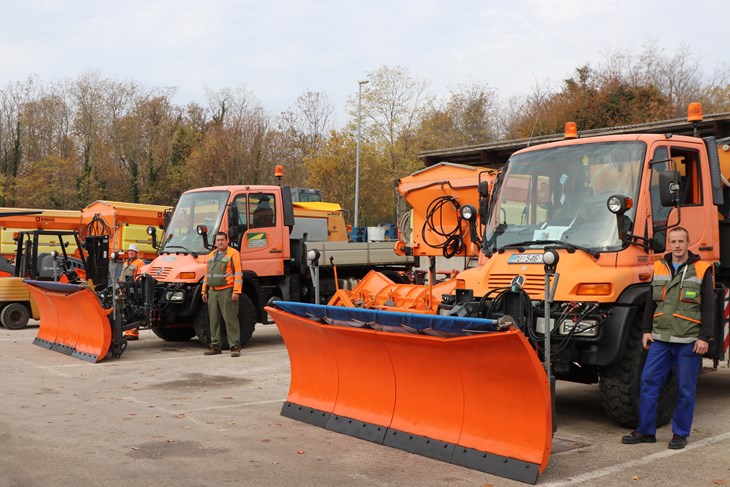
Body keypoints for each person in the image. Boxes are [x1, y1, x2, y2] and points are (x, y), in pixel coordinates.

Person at [621, 226, 714, 449]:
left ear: (688, 242)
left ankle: (680, 433)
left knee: (685, 389)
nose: (677, 245)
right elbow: (651, 303)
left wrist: (704, 337)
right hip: (660, 339)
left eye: (681, 241)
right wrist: (645, 330)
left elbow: (709, 307)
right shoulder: (659, 267)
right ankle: (645, 430)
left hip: (688, 341)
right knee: (648, 383)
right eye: (673, 241)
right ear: (668, 244)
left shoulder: (702, 269)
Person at [202, 232, 243, 357]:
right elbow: (207, 275)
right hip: (212, 292)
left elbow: (238, 274)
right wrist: (204, 290)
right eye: (218, 240)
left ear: (227, 241)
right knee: (213, 320)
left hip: (227, 291)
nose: (220, 242)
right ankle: (215, 346)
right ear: (215, 242)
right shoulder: (211, 255)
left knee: (230, 319)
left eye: (222, 240)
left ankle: (235, 346)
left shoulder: (233, 253)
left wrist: (236, 291)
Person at [121, 244, 144, 341]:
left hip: (133, 291)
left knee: (132, 310)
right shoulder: (126, 262)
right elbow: (122, 275)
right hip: (125, 289)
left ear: (136, 253)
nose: (130, 252)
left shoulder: (140, 263)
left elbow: (139, 277)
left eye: (133, 251)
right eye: (129, 251)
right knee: (126, 310)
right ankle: (128, 332)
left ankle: (134, 333)